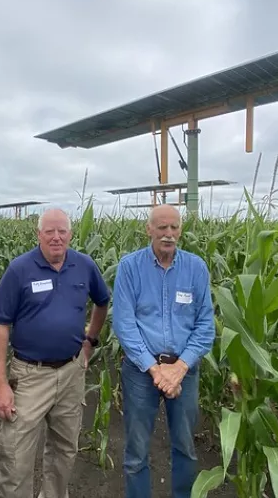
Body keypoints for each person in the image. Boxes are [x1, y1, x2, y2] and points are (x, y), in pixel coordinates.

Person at [0, 207, 110, 498]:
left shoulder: (84, 265)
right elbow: (0, 326)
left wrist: (90, 340)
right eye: (49, 231)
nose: (56, 237)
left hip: (71, 372)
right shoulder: (20, 269)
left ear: (70, 233)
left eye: (62, 231)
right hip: (30, 374)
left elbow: (102, 302)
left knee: (64, 450)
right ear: (38, 234)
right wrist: (0, 383)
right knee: (16, 453)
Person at [111, 204, 216, 498]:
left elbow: (205, 325)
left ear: (180, 230)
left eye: (174, 228)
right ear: (149, 229)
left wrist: (179, 368)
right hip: (141, 373)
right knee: (136, 451)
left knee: (185, 447)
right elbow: (124, 324)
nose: (168, 234)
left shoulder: (195, 267)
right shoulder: (130, 267)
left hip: (185, 371)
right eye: (162, 228)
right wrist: (156, 370)